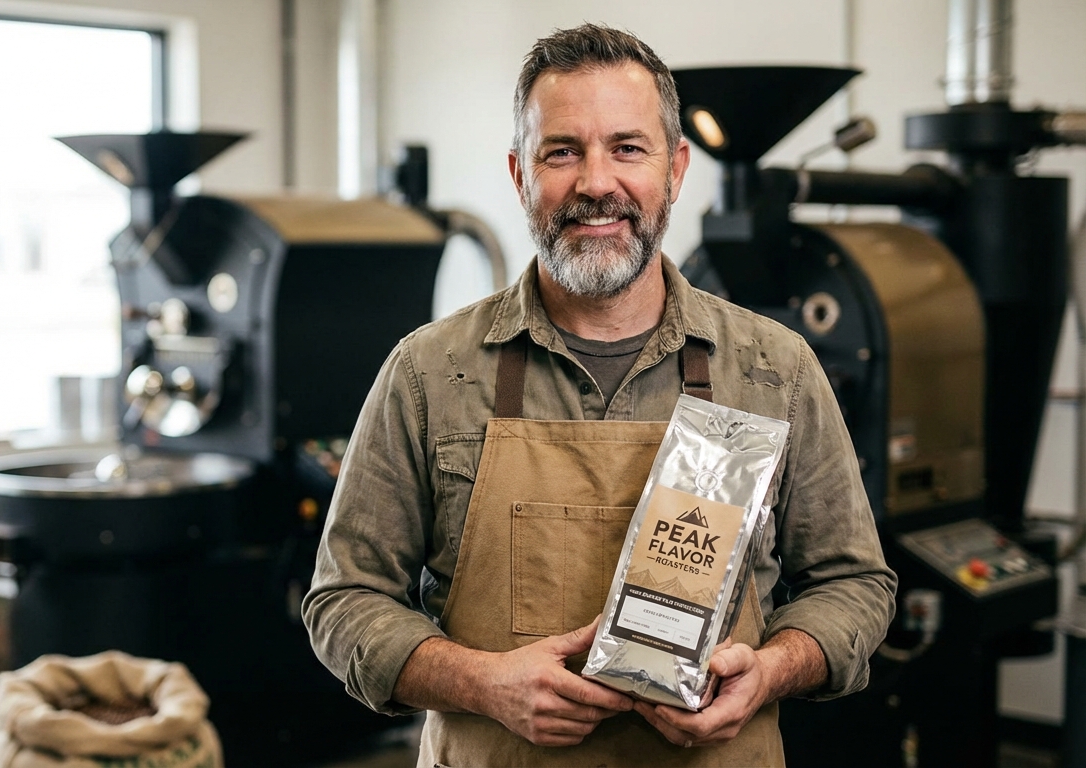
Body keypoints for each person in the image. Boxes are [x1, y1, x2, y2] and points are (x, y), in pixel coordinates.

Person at [303, 22, 896, 767]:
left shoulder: (775, 369)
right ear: (520, 175)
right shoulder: (428, 373)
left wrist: (772, 670)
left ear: (675, 170)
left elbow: (855, 585)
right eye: (562, 151)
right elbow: (342, 602)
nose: (595, 183)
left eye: (627, 147)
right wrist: (482, 683)